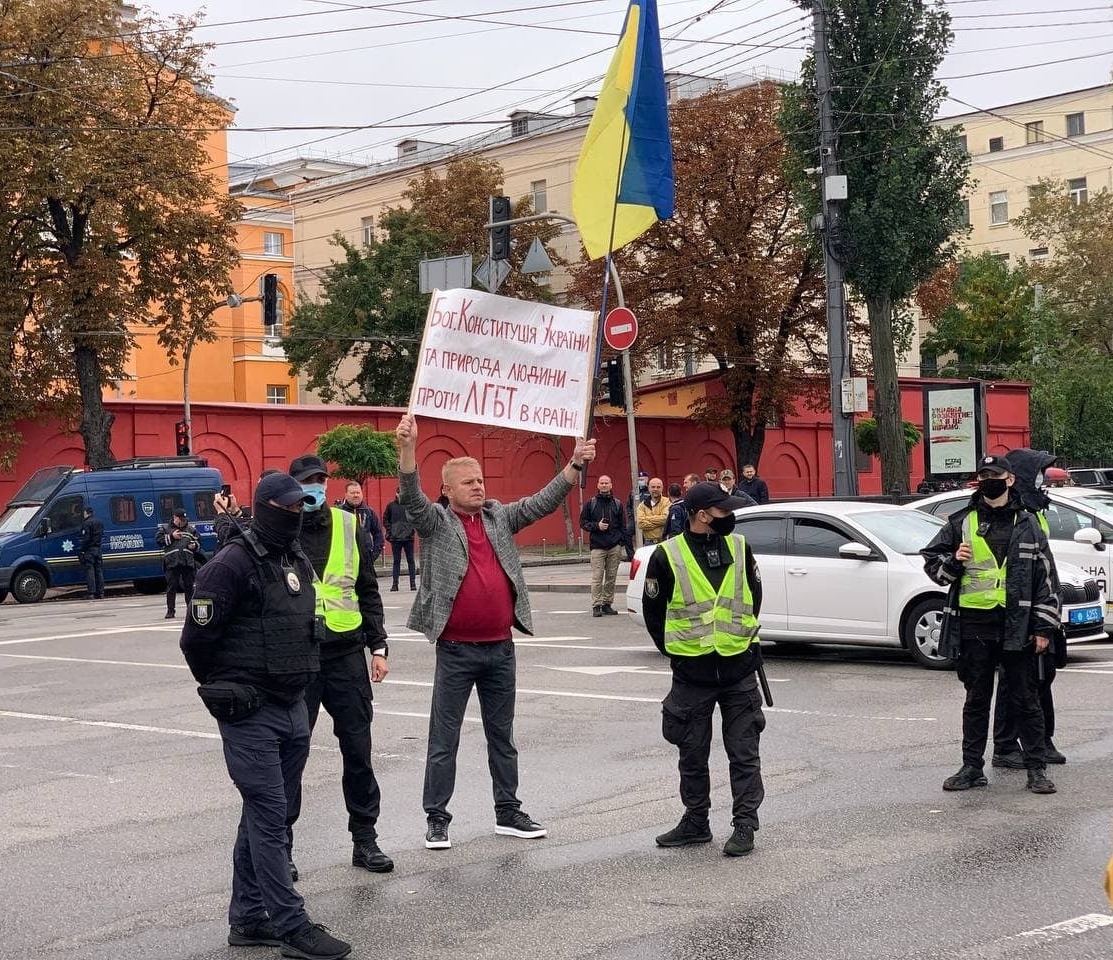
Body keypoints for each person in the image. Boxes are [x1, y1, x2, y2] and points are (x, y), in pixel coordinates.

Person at [394, 413, 596, 850]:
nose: (478, 486)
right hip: (455, 651)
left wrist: (574, 464)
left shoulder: (499, 516)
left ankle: (508, 811)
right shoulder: (436, 522)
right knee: (443, 739)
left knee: (502, 736)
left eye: (480, 479)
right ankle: (437, 818)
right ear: (447, 490)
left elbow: (542, 501)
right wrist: (408, 449)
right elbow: (410, 496)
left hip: (500, 650)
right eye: (467, 482)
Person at [179, 472, 352, 960]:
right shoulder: (229, 565)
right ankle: (291, 925)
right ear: (265, 507)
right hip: (250, 709)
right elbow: (196, 642)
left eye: (303, 507)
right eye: (289, 508)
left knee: (269, 814)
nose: (298, 515)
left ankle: (250, 918)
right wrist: (227, 688)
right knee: (271, 816)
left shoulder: (293, 558)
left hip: (292, 703)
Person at [921, 454, 1060, 796]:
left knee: (1026, 698)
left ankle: (1036, 769)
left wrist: (1043, 628)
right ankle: (971, 767)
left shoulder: (1027, 523)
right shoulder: (961, 522)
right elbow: (932, 566)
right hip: (975, 623)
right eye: (983, 475)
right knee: (976, 699)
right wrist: (954, 561)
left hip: (1017, 624)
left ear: (1009, 479)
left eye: (994, 475)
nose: (988, 480)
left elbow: (1047, 580)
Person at [641, 481, 766, 858]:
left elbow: (753, 598)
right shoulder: (666, 555)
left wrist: (736, 640)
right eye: (723, 512)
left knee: (744, 753)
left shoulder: (740, 548)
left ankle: (745, 825)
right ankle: (696, 822)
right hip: (692, 674)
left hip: (738, 668)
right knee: (691, 753)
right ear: (702, 516)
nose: (730, 517)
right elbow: (655, 614)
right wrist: (678, 653)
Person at [285, 454, 392, 877]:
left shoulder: (349, 525)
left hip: (346, 653)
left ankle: (365, 839)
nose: (314, 487)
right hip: (299, 658)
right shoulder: (279, 529)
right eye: (306, 481)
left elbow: (367, 588)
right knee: (290, 755)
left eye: (319, 481)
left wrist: (379, 646)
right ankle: (282, 848)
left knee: (358, 750)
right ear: (293, 485)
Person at [992, 448, 1068, 768]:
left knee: (1043, 675)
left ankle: (1042, 739)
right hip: (1018, 611)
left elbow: (1043, 565)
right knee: (1016, 681)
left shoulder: (1033, 509)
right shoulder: (1013, 513)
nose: (1042, 480)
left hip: (1041, 604)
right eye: (1037, 473)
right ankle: (1006, 746)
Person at [579, 474, 626, 617]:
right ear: (598, 485)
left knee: (611, 577)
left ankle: (607, 604)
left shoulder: (617, 504)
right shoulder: (591, 504)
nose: (604, 485)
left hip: (614, 546)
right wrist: (596, 526)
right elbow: (583, 523)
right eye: (602, 483)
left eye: (607, 483)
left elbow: (623, 525)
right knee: (597, 577)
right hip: (597, 546)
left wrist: (620, 543)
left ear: (611, 485)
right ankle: (596, 605)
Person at [158, 508, 200, 619]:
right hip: (172, 562)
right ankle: (170, 611)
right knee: (172, 587)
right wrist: (172, 537)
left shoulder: (191, 529)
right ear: (175, 518)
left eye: (184, 519)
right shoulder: (166, 529)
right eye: (181, 519)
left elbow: (198, 542)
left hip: (187, 562)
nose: (183, 521)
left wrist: (194, 546)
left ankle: (190, 611)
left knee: (189, 587)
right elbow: (159, 541)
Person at [338, 480, 385, 563]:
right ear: (346, 495)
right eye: (352, 493)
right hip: (345, 561)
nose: (356, 495)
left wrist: (373, 556)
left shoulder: (369, 512)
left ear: (361, 494)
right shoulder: (339, 512)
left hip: (365, 562)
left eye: (358, 492)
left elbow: (378, 535)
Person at [383, 489, 417, 592]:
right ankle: (395, 584)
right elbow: (385, 519)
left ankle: (413, 584)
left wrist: (411, 530)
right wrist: (391, 530)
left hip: (408, 538)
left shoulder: (410, 506)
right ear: (396, 493)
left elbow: (415, 518)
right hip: (396, 538)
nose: (400, 495)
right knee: (396, 561)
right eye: (399, 493)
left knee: (411, 561)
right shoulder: (391, 506)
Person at [77, 506, 105, 600]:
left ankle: (91, 593)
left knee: (90, 571)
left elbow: (86, 538)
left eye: (84, 512)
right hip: (98, 548)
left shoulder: (86, 523)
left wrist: (82, 549)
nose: (83, 514)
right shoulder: (99, 522)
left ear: (87, 513)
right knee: (99, 571)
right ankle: (101, 593)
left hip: (89, 550)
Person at [622, 472, 649, 561]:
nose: (640, 481)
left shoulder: (650, 491)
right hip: (634, 519)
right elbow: (629, 505)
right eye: (639, 480)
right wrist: (630, 516)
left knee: (645, 538)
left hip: (647, 519)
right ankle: (631, 556)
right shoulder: (634, 492)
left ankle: (644, 556)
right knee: (626, 534)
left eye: (642, 479)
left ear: (647, 480)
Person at [636, 477, 669, 545]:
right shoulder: (642, 505)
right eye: (653, 487)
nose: (655, 489)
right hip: (648, 543)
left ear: (662, 488)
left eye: (658, 487)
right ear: (649, 488)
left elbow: (665, 519)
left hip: (664, 542)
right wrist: (659, 523)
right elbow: (640, 524)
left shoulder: (667, 502)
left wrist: (647, 518)